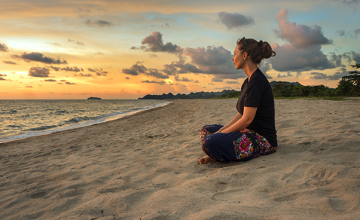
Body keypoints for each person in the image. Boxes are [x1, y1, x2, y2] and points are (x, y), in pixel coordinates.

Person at [199, 37, 277, 165]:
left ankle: (218, 155)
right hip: (246, 132)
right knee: (207, 130)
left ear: (245, 55)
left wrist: (220, 135)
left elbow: (247, 120)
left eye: (235, 54)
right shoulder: (248, 82)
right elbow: (241, 114)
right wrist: (221, 131)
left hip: (262, 140)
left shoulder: (257, 81)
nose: (232, 58)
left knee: (209, 142)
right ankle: (219, 153)